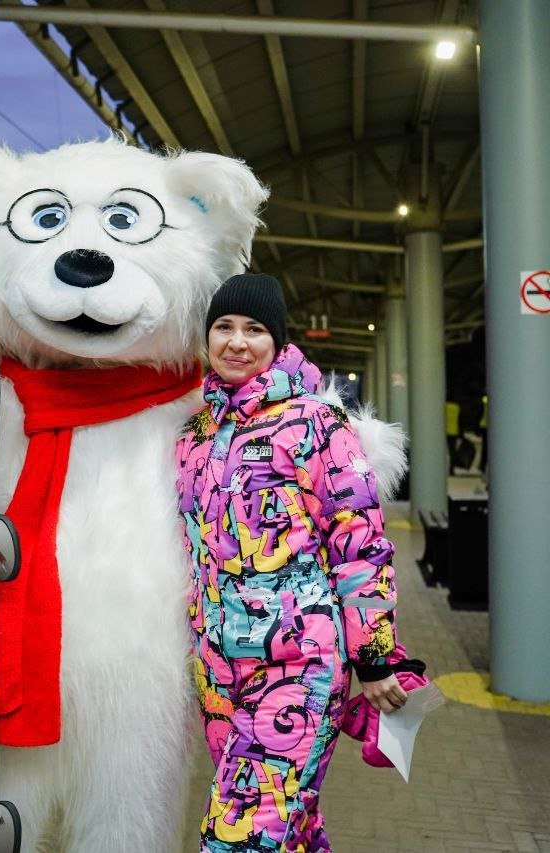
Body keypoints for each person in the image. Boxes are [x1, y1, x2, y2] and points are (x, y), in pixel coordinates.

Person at [175, 273, 411, 851]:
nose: (236, 341)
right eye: (223, 327)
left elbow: (361, 543)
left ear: (279, 343)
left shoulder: (317, 424)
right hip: (217, 670)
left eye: (254, 329)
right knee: (291, 825)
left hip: (299, 664)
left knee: (243, 832)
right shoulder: (194, 433)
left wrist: (375, 655)